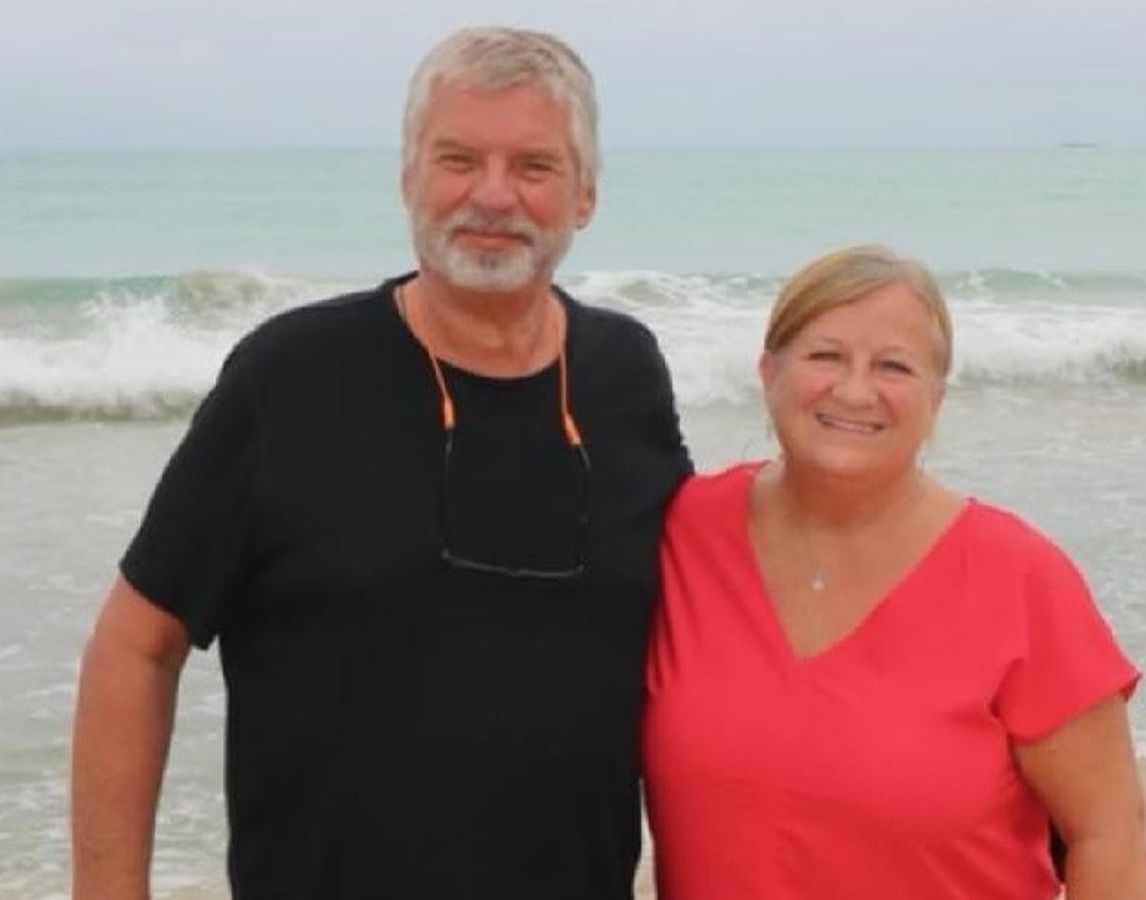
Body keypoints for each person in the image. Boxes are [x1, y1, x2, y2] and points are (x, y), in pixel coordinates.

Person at [71, 27, 690, 900]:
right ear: (408, 179)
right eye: (458, 159)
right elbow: (137, 644)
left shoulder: (628, 373)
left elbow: (712, 615)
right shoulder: (289, 377)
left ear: (584, 194)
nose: (493, 195)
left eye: (534, 166)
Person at [642, 245, 1146, 898]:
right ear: (769, 373)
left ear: (935, 396)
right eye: (825, 356)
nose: (855, 390)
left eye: (893, 366)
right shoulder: (685, 532)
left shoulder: (1021, 578)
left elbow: (1108, 833)